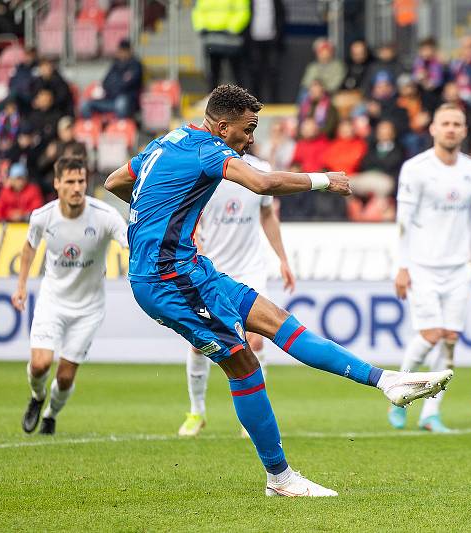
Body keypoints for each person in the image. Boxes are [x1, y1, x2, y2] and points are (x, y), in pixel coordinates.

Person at [104, 84, 452, 497]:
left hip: (191, 269)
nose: (250, 138)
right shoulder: (209, 150)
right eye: (247, 129)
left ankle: (385, 381)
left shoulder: (168, 141)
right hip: (166, 279)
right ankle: (280, 478)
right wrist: (324, 180)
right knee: (244, 364)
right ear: (221, 125)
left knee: (279, 322)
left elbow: (116, 181)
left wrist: (156, 216)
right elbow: (263, 184)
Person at [178, 151, 295, 437]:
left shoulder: (261, 169)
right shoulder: (206, 168)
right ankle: (197, 411)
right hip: (211, 269)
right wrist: (196, 255)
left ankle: (253, 417)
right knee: (199, 344)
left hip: (250, 269)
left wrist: (282, 258)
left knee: (256, 340)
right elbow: (190, 219)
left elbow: (267, 214)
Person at [389, 103, 471, 433]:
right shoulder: (416, 169)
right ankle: (399, 389)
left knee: (449, 340)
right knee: (430, 335)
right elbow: (404, 221)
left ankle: (431, 414)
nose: (451, 129)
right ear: (432, 128)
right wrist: (402, 267)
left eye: (457, 123)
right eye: (444, 123)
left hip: (459, 267)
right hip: (423, 265)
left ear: (464, 130)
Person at [14, 157, 128, 435]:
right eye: (70, 182)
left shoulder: (105, 216)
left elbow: (130, 243)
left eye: (81, 181)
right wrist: (21, 286)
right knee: (40, 365)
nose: (77, 187)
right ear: (57, 184)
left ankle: (51, 414)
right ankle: (37, 397)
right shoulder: (43, 216)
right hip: (52, 301)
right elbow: (29, 247)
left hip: (88, 308)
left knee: (64, 378)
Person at [80, 40, 143, 119]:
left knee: (121, 103)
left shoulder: (136, 65)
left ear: (129, 51)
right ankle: (91, 128)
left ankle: (119, 128)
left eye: (124, 50)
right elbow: (105, 82)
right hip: (109, 99)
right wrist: (114, 85)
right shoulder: (115, 64)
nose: (121, 53)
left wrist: (114, 85)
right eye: (120, 50)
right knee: (85, 104)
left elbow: (127, 85)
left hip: (127, 102)